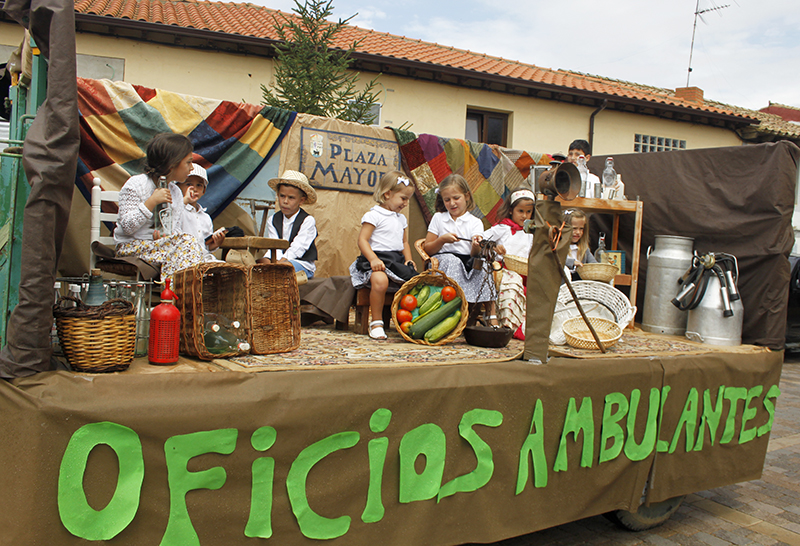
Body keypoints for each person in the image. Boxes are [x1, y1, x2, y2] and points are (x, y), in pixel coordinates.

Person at [114, 132, 209, 277]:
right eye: (188, 162)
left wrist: (167, 236)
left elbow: (176, 228)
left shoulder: (175, 192)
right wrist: (151, 202)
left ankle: (178, 289)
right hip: (131, 247)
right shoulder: (137, 184)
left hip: (160, 247)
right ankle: (173, 289)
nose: (191, 168)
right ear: (172, 165)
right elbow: (127, 227)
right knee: (186, 244)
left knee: (190, 245)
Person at [349, 171, 417, 340]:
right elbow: (362, 240)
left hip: (395, 260)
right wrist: (373, 259)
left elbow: (404, 243)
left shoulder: (401, 219)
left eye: (408, 199)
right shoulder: (374, 215)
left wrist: (409, 259)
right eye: (403, 198)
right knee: (380, 281)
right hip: (376, 259)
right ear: (387, 194)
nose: (406, 203)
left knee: (416, 282)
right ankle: (376, 322)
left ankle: (409, 321)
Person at [422, 174, 495, 324]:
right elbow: (428, 249)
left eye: (456, 198)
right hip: (444, 260)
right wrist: (442, 240)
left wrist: (476, 246)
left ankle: (491, 314)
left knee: (484, 265)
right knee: (453, 261)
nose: (452, 203)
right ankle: (450, 310)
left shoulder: (475, 222)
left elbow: (474, 254)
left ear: (466, 196)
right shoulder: (439, 218)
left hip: (468, 259)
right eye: (447, 200)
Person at [482, 187, 536, 339]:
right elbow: (482, 239)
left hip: (526, 273)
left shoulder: (532, 232)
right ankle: (508, 324)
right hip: (506, 271)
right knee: (513, 284)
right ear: (511, 210)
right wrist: (494, 247)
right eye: (520, 211)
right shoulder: (503, 228)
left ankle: (526, 326)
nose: (524, 216)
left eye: (528, 212)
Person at [259, 170, 318, 279]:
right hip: (278, 260)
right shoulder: (273, 220)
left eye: (291, 198)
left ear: (301, 200)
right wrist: (274, 262)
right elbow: (274, 245)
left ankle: (278, 268)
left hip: (300, 263)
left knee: (284, 267)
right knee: (260, 263)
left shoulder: (307, 220)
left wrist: (281, 262)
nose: (285, 201)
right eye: (282, 196)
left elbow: (298, 248)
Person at [174, 164, 227, 260]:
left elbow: (205, 246)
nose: (194, 189)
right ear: (177, 187)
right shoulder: (177, 210)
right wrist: (184, 200)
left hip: (203, 259)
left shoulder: (205, 217)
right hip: (183, 259)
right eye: (188, 184)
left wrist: (215, 244)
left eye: (199, 185)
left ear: (204, 190)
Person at [564, 208, 597, 280]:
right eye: (574, 228)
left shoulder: (584, 249)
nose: (578, 232)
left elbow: (594, 264)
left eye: (581, 229)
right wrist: (572, 262)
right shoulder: (559, 247)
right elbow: (555, 260)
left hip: (580, 284)